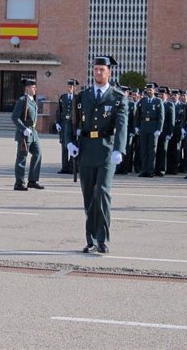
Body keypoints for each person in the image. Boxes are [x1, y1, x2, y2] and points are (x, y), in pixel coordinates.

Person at [65, 55, 127, 253]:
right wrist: (69, 143)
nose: (98, 73)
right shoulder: (82, 96)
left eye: (102, 69)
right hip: (85, 148)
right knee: (89, 196)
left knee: (102, 192)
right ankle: (90, 238)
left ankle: (102, 238)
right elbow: (70, 121)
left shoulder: (118, 97)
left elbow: (122, 124)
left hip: (106, 150)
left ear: (110, 72)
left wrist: (119, 148)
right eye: (96, 69)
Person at [11, 78, 43, 191]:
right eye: (33, 87)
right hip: (24, 133)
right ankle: (19, 183)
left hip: (33, 132)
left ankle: (33, 180)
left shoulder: (33, 101)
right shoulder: (22, 100)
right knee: (22, 157)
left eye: (35, 87)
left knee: (38, 153)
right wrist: (23, 129)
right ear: (27, 88)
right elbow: (14, 117)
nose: (35, 89)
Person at [135, 82, 164, 177]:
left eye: (150, 89)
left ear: (154, 90)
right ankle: (144, 170)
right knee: (143, 150)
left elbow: (161, 117)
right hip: (143, 127)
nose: (149, 91)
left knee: (152, 150)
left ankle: (151, 171)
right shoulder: (142, 101)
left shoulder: (158, 101)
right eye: (147, 90)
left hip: (153, 128)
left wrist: (159, 129)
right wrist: (137, 126)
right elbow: (137, 115)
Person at [55, 79, 79, 174]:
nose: (70, 88)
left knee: (74, 145)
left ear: (75, 88)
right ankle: (64, 167)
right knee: (64, 146)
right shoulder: (63, 97)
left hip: (74, 125)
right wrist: (57, 122)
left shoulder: (77, 98)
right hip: (64, 125)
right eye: (69, 86)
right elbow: (59, 111)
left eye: (72, 87)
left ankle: (72, 167)